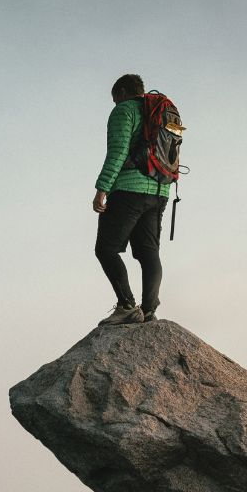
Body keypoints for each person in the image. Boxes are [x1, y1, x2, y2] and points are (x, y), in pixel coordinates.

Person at [93, 73, 171, 326]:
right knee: (149, 252)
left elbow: (118, 151)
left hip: (128, 190)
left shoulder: (124, 110)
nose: (115, 104)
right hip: (160, 191)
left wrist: (102, 188)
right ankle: (148, 311)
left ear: (123, 92)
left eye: (115, 99)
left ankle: (127, 306)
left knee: (106, 248)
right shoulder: (159, 113)